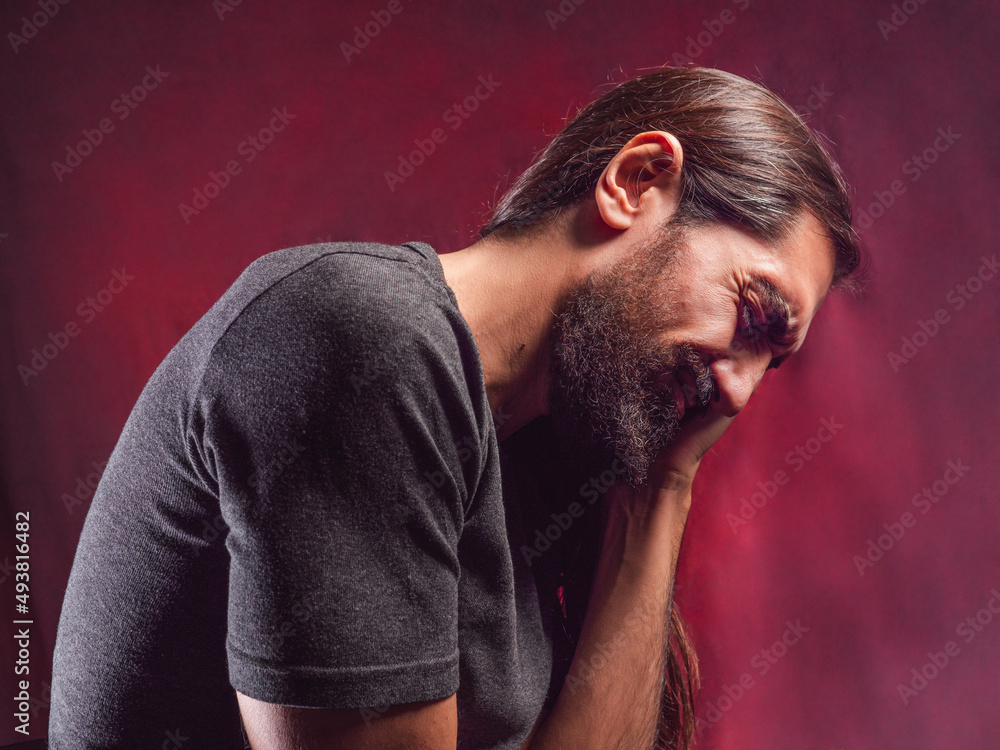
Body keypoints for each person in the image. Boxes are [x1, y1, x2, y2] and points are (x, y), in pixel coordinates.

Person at [49, 66, 864, 749]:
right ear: (636, 181)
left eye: (772, 363)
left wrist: (661, 485)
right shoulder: (364, 344)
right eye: (754, 316)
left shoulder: (536, 449)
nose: (741, 391)